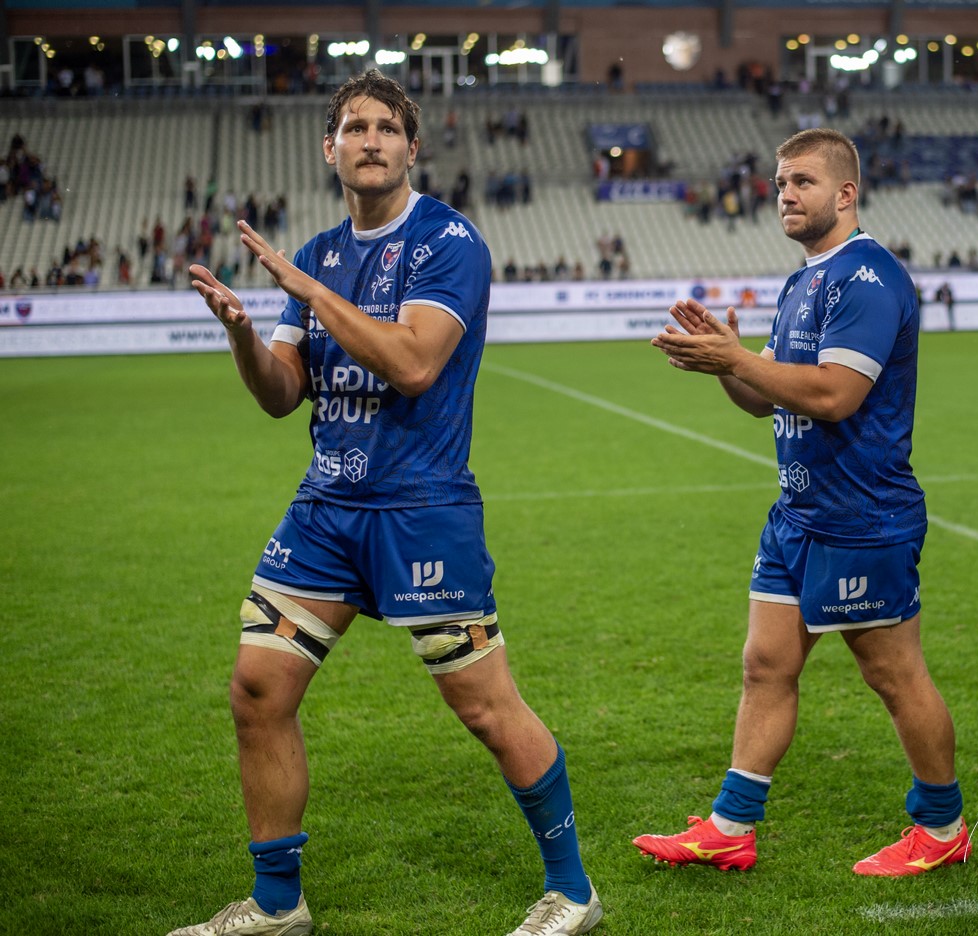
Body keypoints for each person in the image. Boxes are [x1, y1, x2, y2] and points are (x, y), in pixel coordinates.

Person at [173, 69, 601, 936]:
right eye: (353, 127)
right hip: (327, 510)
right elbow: (282, 393)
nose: (370, 140)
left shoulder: (450, 242)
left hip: (421, 507)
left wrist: (307, 293)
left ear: (412, 146)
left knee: (484, 706)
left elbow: (412, 364)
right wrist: (246, 336)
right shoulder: (324, 251)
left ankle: (574, 892)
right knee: (258, 689)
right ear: (329, 147)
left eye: (386, 128)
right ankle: (278, 904)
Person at [635, 128, 970, 880]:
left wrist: (739, 357)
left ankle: (943, 826)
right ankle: (730, 826)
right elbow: (767, 400)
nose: (785, 194)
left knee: (893, 674)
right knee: (765, 664)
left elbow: (834, 394)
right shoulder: (801, 282)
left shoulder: (868, 278)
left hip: (862, 516)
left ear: (845, 194)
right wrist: (727, 364)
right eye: (780, 182)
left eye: (803, 182)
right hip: (796, 513)